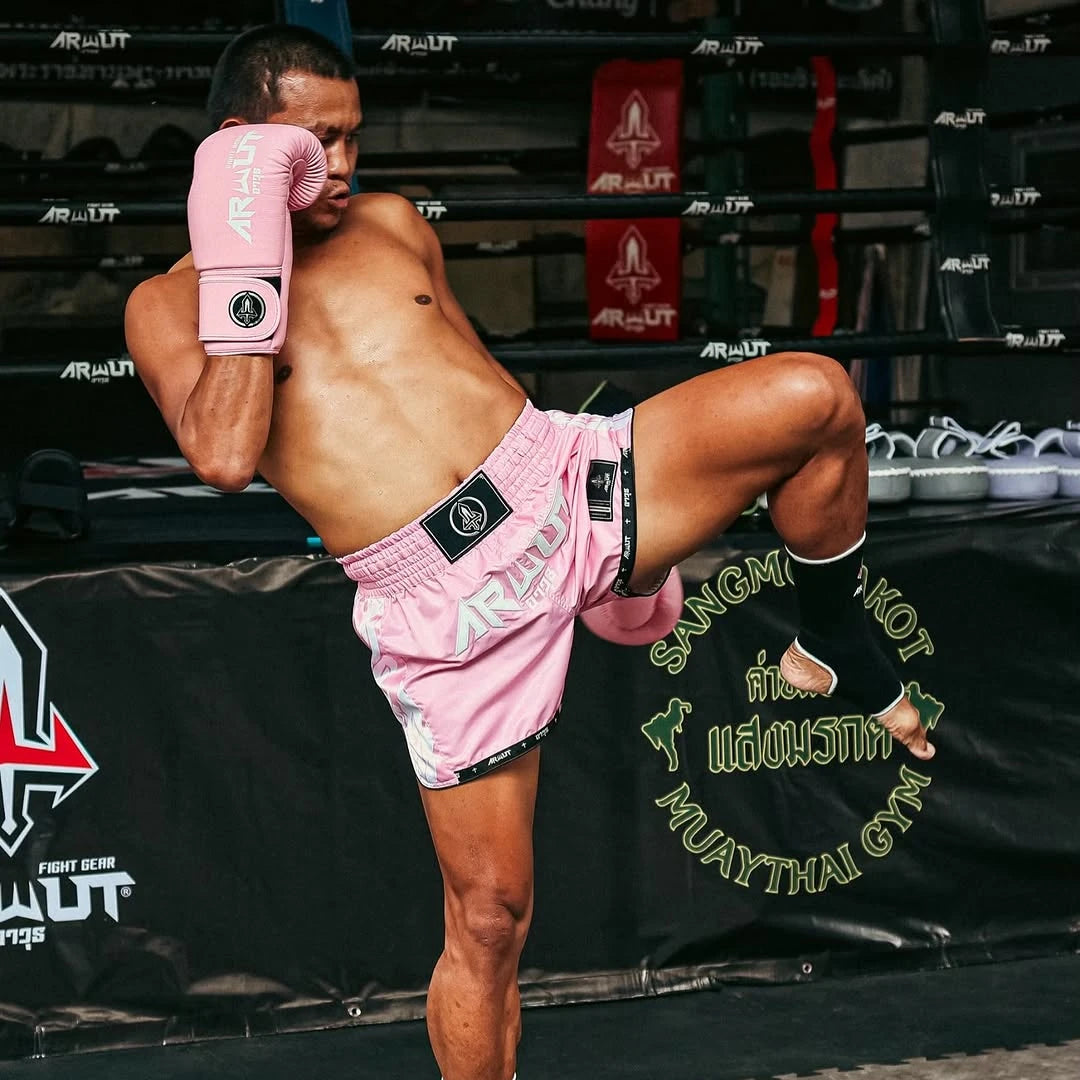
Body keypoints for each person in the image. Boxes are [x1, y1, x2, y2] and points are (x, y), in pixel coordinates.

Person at [124, 23, 935, 1080]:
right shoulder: (162, 306)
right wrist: (244, 252)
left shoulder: (391, 223)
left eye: (354, 135)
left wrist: (604, 540)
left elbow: (463, 370)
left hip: (561, 481)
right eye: (315, 141)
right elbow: (229, 453)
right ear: (243, 148)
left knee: (818, 398)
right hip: (446, 605)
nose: (345, 164)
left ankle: (830, 645)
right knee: (493, 917)